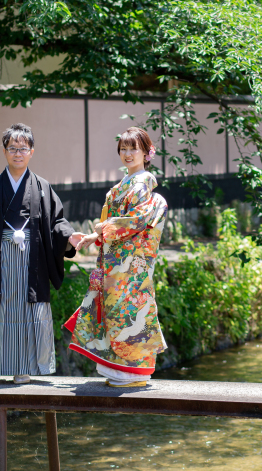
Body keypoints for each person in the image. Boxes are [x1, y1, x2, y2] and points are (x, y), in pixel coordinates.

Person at [0, 123, 83, 384]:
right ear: (4, 151)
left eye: (23, 148)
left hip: (31, 260)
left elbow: (56, 222)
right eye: (13, 148)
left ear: (32, 152)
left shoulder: (42, 187)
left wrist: (69, 236)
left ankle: (23, 368)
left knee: (27, 313)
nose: (18, 153)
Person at [64, 127, 168, 387]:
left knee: (129, 312)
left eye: (134, 149)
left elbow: (137, 220)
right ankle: (119, 370)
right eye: (123, 149)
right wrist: (94, 236)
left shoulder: (142, 183)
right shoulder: (122, 185)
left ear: (146, 153)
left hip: (131, 265)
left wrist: (103, 229)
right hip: (114, 260)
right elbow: (111, 224)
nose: (128, 154)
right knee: (113, 310)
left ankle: (133, 372)